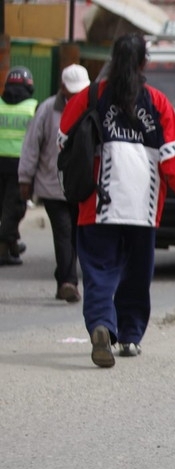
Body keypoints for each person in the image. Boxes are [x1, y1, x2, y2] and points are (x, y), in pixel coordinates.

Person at [59, 33, 175, 368]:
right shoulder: (157, 102)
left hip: (97, 203)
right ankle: (130, 336)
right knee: (136, 274)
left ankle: (100, 325)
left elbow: (63, 137)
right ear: (143, 63)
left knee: (99, 270)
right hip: (143, 205)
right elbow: (174, 154)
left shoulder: (91, 96)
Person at [17, 64, 91, 302]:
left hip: (80, 186)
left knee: (76, 235)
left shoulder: (92, 108)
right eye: (73, 91)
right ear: (63, 89)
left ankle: (63, 277)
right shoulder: (47, 110)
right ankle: (69, 282)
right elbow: (31, 146)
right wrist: (25, 178)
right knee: (63, 232)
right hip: (52, 186)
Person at [0, 66, 38, 265]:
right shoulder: (33, 107)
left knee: (5, 207)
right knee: (14, 208)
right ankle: (4, 249)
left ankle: (12, 243)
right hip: (20, 165)